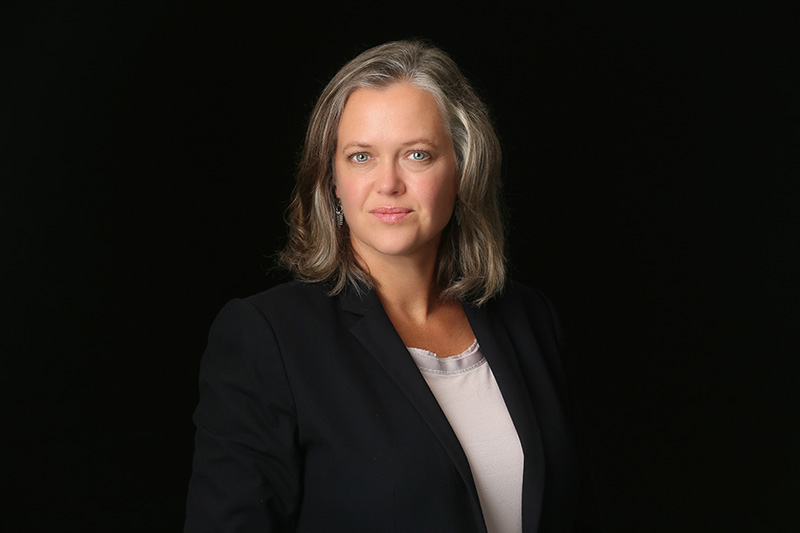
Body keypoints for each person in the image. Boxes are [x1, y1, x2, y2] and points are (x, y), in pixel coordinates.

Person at [185, 39, 603, 532]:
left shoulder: (531, 319)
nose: (388, 183)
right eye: (361, 157)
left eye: (417, 155)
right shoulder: (268, 337)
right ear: (332, 180)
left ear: (463, 170)